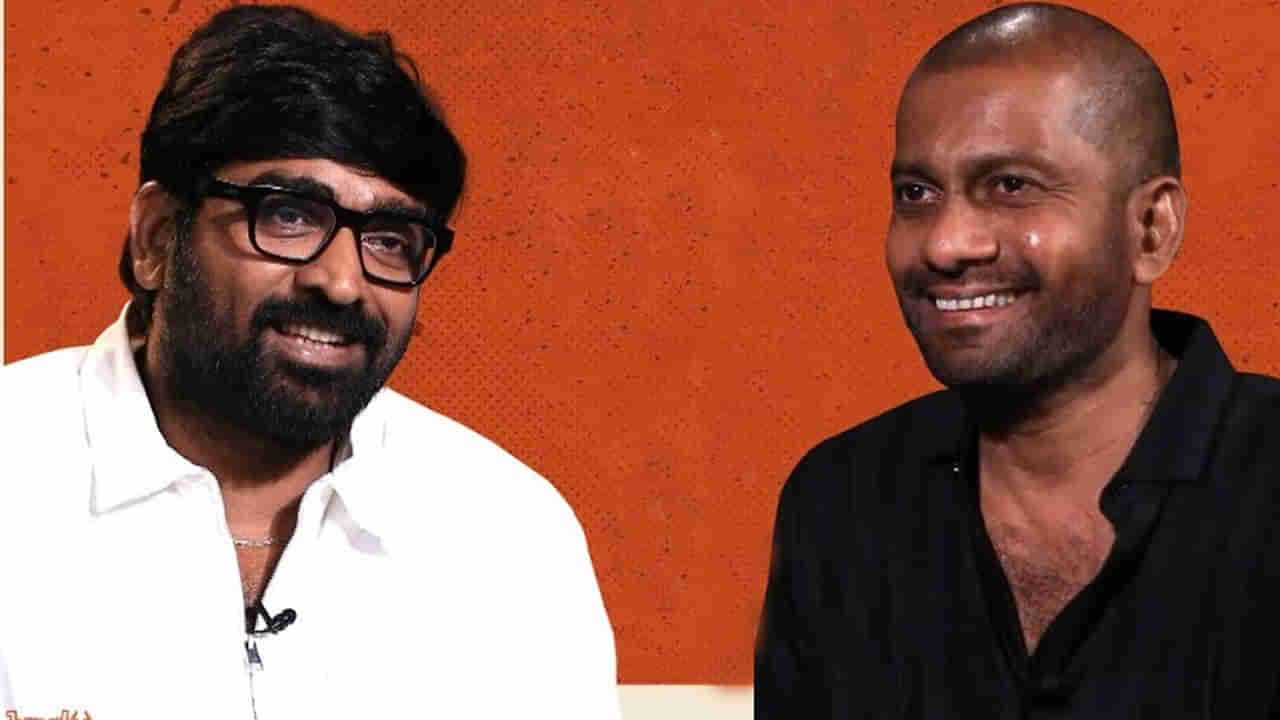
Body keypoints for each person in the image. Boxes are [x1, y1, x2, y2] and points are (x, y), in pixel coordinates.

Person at [0, 6, 619, 718]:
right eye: (288, 215)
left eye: (389, 238)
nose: (342, 282)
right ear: (157, 237)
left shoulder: (507, 535)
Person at [756, 3, 1280, 717]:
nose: (946, 243)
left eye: (1010, 186)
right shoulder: (841, 505)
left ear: (1151, 228)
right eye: (916, 194)